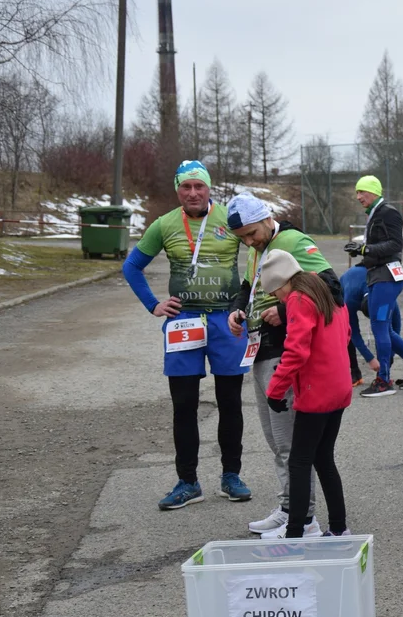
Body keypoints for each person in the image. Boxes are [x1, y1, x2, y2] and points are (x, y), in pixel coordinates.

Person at [122, 160, 252, 510]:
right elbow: (131, 266)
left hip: (227, 322)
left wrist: (248, 302)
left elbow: (259, 256)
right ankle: (188, 481)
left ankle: (231, 476)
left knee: (230, 402)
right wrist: (153, 304)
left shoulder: (230, 219)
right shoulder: (164, 224)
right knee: (184, 405)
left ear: (210, 189)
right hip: (184, 322)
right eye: (186, 187)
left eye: (199, 186)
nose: (193, 193)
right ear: (178, 190)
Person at [226, 192, 342, 538]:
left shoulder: (294, 241)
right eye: (242, 238)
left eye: (251, 233)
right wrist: (237, 309)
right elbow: (247, 287)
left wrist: (287, 310)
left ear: (266, 218)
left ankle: (304, 517)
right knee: (276, 441)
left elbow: (333, 292)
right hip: (259, 350)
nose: (249, 241)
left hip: (283, 352)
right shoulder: (255, 250)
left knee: (291, 443)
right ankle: (289, 505)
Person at [259, 250, 353, 539]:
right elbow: (347, 334)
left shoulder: (299, 299)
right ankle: (339, 528)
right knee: (324, 458)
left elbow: (296, 351)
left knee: (299, 461)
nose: (278, 298)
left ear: (282, 281)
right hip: (339, 388)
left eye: (275, 291)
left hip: (316, 393)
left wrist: (274, 391)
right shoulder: (327, 292)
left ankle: (296, 533)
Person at [343, 176, 403, 397]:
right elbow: (380, 246)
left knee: (379, 327)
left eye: (362, 192)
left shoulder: (388, 212)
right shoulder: (376, 213)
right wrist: (361, 251)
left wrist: (365, 251)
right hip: (379, 276)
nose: (358, 197)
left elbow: (394, 245)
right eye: (357, 192)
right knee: (385, 329)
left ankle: (383, 380)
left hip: (386, 277)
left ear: (374, 192)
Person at [340, 263, 400, 388]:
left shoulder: (384, 294)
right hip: (348, 285)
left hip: (375, 281)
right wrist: (370, 359)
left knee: (384, 330)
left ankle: (382, 372)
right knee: (346, 331)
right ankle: (354, 372)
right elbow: (354, 333)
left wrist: (390, 354)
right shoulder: (349, 301)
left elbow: (395, 323)